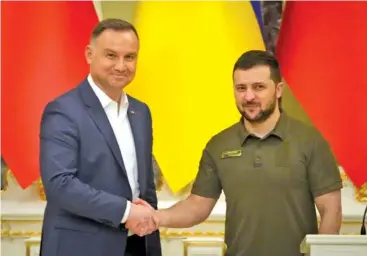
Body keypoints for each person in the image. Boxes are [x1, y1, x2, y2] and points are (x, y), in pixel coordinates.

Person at [137, 50, 343, 256]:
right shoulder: (218, 145)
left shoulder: (310, 141)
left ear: (279, 89)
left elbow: (331, 211)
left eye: (259, 87)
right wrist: (157, 217)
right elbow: (197, 206)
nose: (249, 96)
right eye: (241, 88)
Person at [39, 18, 161, 256]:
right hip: (81, 247)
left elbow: (144, 186)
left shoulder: (141, 112)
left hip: (137, 244)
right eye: (111, 55)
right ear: (89, 54)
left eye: (130, 57)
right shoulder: (63, 110)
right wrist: (126, 212)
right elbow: (60, 185)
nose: (121, 66)